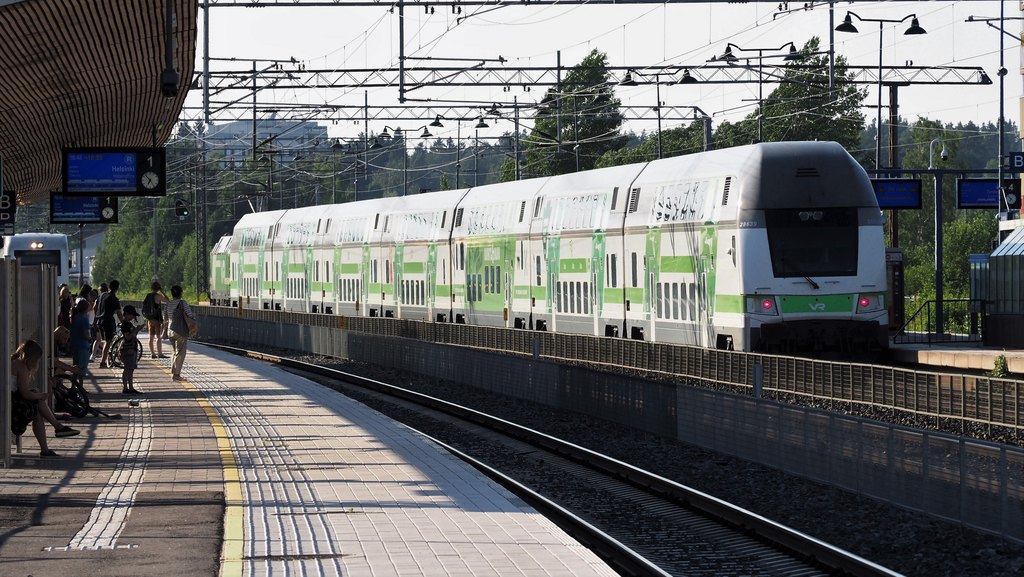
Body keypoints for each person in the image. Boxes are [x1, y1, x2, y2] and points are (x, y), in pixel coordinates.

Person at [10, 339, 79, 457]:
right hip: (10, 404)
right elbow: (25, 393)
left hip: (9, 399)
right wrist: (41, 395)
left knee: (37, 408)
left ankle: (54, 434)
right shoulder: (21, 366)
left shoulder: (13, 361)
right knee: (37, 405)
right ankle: (56, 430)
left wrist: (37, 394)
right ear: (32, 357)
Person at [164, 285, 196, 382]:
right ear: (180, 293)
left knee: (175, 352)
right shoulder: (182, 303)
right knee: (181, 353)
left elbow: (165, 318)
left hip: (170, 330)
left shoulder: (168, 304)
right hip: (180, 331)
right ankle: (176, 375)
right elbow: (190, 315)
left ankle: (174, 373)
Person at [95, 280, 123, 368]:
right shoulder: (114, 299)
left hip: (98, 320)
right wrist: (124, 322)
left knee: (102, 340)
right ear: (117, 288)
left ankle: (107, 360)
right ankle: (103, 362)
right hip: (107, 321)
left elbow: (95, 307)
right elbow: (119, 313)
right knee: (108, 341)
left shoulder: (102, 295)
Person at [119, 305, 143, 394]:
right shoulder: (126, 324)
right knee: (128, 369)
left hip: (131, 348)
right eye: (132, 315)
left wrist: (136, 330)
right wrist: (136, 330)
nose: (133, 317)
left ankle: (130, 388)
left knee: (130, 369)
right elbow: (128, 337)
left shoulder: (127, 324)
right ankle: (126, 388)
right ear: (127, 314)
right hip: (128, 349)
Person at [143, 281, 169, 359]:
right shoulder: (158, 296)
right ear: (158, 288)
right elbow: (168, 300)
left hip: (150, 319)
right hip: (157, 319)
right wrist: (163, 291)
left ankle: (153, 354)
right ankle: (160, 353)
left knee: (151, 337)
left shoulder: (148, 295)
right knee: (158, 337)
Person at [68, 299, 93, 374]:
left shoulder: (75, 318)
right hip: (83, 345)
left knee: (75, 366)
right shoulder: (84, 319)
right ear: (86, 308)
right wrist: (90, 339)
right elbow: (85, 334)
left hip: (75, 344)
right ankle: (80, 384)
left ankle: (73, 384)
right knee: (82, 368)